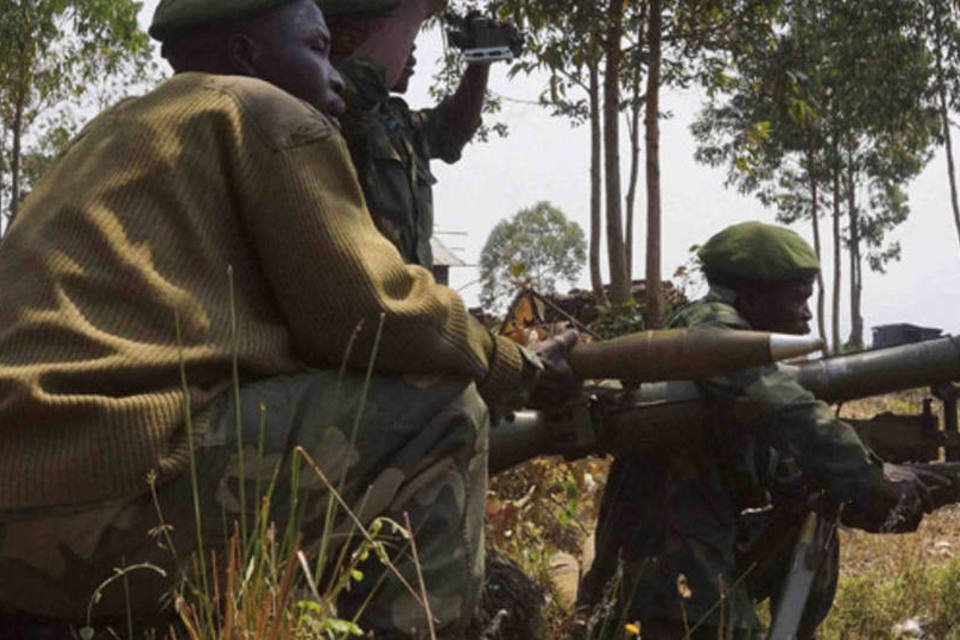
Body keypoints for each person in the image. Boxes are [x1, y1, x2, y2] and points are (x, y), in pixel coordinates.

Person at [0, 0, 580, 637]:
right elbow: (370, 311)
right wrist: (510, 364)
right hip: (110, 499)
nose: (335, 74)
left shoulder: (111, 133)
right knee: (442, 411)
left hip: (21, 508)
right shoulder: (261, 109)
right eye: (315, 48)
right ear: (248, 55)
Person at [577, 221, 946, 639]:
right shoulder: (711, 331)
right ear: (752, 295)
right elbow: (786, 409)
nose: (807, 314)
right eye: (799, 298)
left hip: (687, 556)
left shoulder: (733, 348)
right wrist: (870, 478)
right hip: (669, 568)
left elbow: (782, 461)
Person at [319, 0, 498, 267]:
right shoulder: (325, 107)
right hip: (357, 297)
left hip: (406, 300)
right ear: (346, 40)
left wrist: (480, 58)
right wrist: (417, 6)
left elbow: (451, 132)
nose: (411, 50)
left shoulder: (395, 118)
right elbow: (359, 87)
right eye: (398, 34)